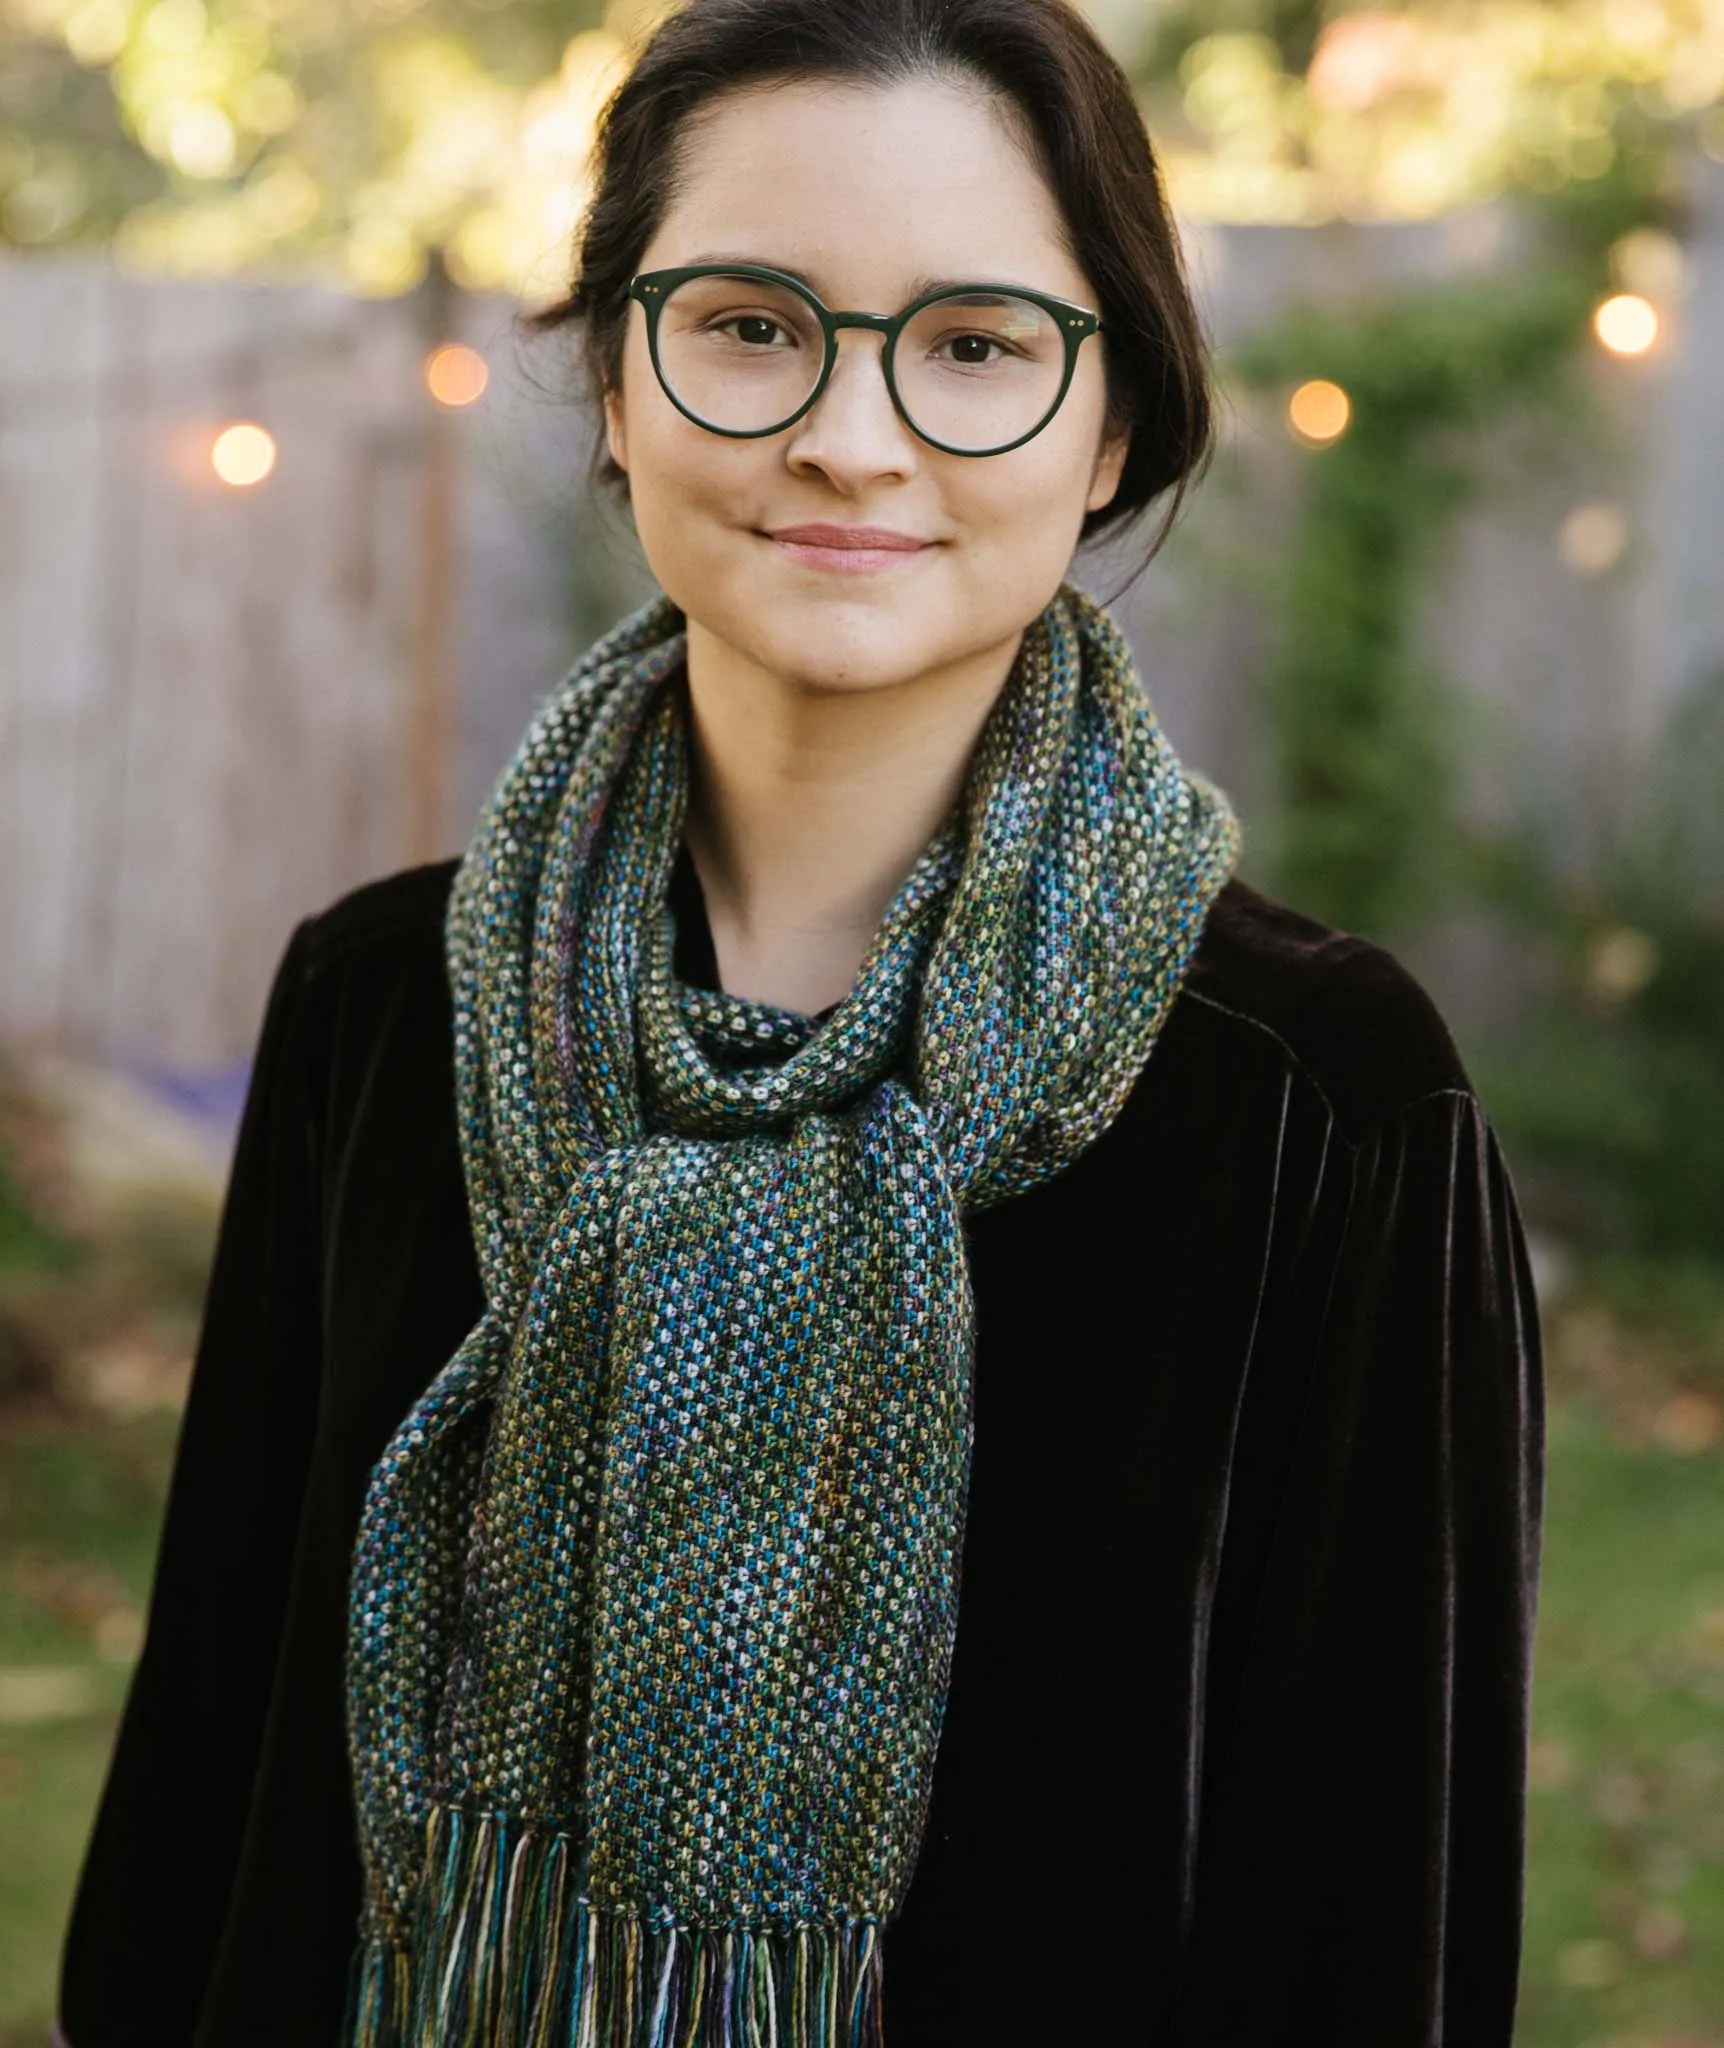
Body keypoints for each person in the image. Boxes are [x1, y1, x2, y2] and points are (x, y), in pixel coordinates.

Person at [56, 1, 1546, 2043]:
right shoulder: (379, 1000)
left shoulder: (1318, 1094)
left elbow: (1371, 1908)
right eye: (753, 325)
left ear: (1112, 424)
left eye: (975, 345)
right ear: (613, 380)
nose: (853, 436)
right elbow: (205, 1786)